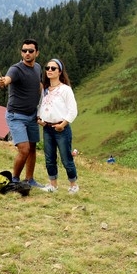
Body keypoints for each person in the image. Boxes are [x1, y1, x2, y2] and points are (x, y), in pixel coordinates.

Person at [0, 38, 44, 188]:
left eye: (30, 51)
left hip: (32, 115)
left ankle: (29, 180)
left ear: (37, 53)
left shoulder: (37, 68)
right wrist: (2, 82)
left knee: (32, 148)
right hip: (16, 116)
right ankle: (15, 180)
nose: (27, 53)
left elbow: (39, 85)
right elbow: (7, 80)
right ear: (21, 52)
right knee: (24, 149)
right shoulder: (15, 69)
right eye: (24, 51)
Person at [37, 59, 79, 194]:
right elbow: (40, 106)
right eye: (47, 68)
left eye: (53, 68)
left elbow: (73, 110)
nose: (49, 70)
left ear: (60, 72)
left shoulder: (65, 89)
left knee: (66, 157)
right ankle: (53, 185)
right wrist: (39, 119)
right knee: (49, 158)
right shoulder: (44, 89)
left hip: (61, 128)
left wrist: (63, 124)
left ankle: (73, 185)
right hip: (47, 128)